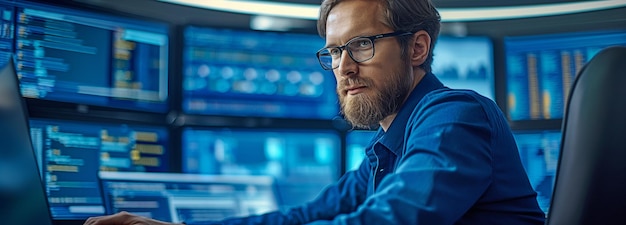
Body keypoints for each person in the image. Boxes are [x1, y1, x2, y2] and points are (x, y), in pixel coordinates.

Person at [84, 0, 546, 224]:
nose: (343, 67)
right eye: (334, 52)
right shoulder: (386, 151)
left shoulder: (454, 115)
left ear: (417, 48)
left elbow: (388, 222)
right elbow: (302, 215)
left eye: (362, 44)